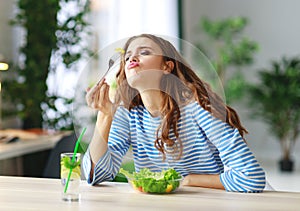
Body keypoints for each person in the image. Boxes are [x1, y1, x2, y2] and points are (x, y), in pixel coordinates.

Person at [83, 34, 266, 192]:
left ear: (166, 67)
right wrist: (105, 115)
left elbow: (250, 177)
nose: (132, 58)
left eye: (144, 52)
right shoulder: (129, 114)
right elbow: (97, 174)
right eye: (128, 55)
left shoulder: (197, 107)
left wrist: (187, 180)